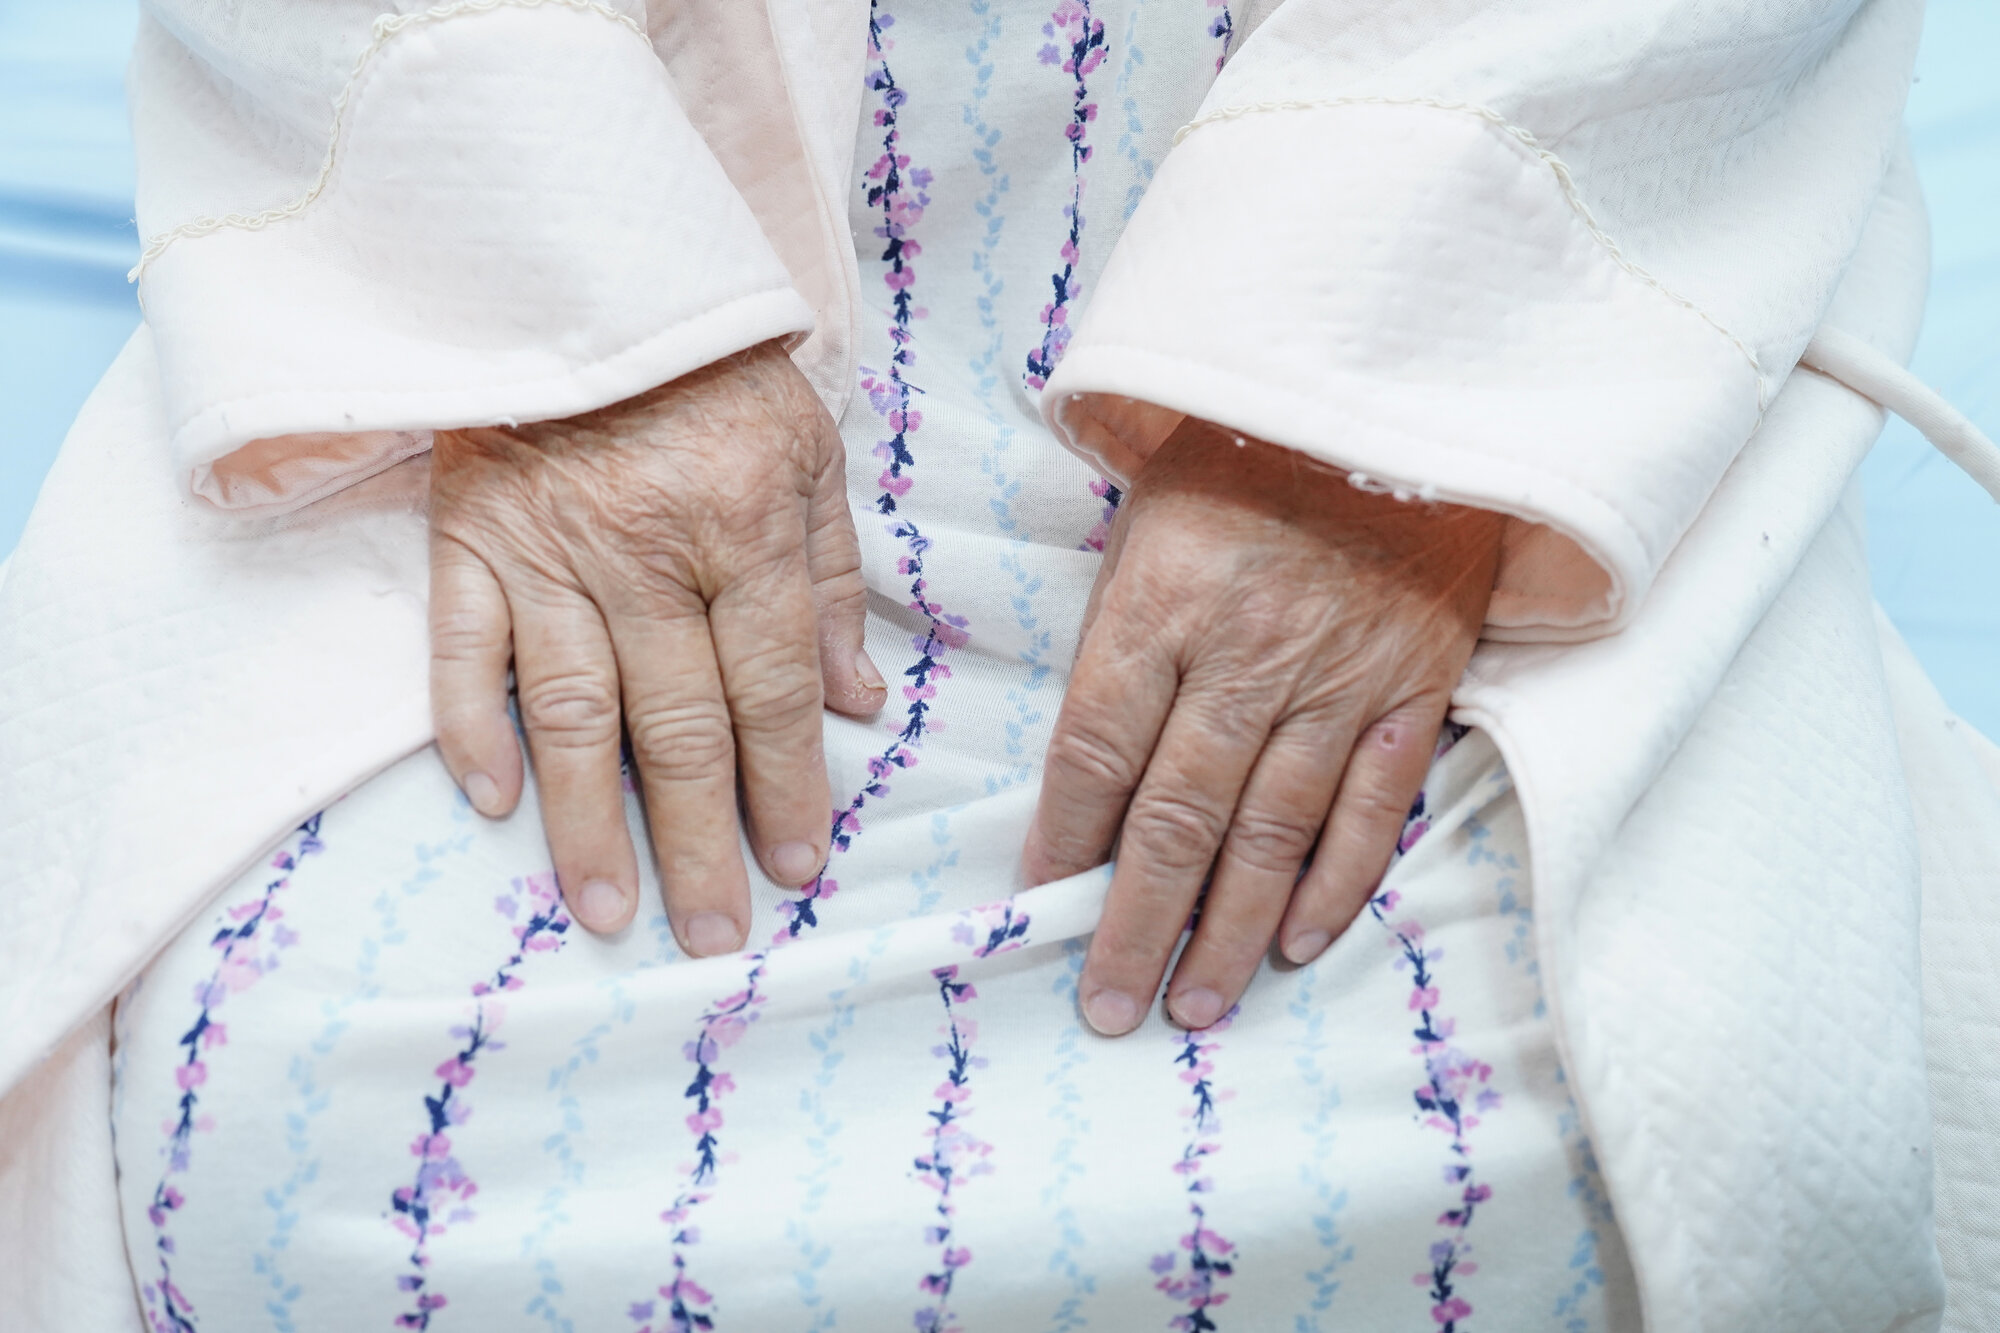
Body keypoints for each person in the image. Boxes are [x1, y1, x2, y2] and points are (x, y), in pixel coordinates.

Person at [3, 0, 1999, 1329]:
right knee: (301, 1116)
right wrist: (572, 324)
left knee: (1592, 1133)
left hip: (1435, 382)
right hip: (586, 329)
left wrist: (1357, 422)